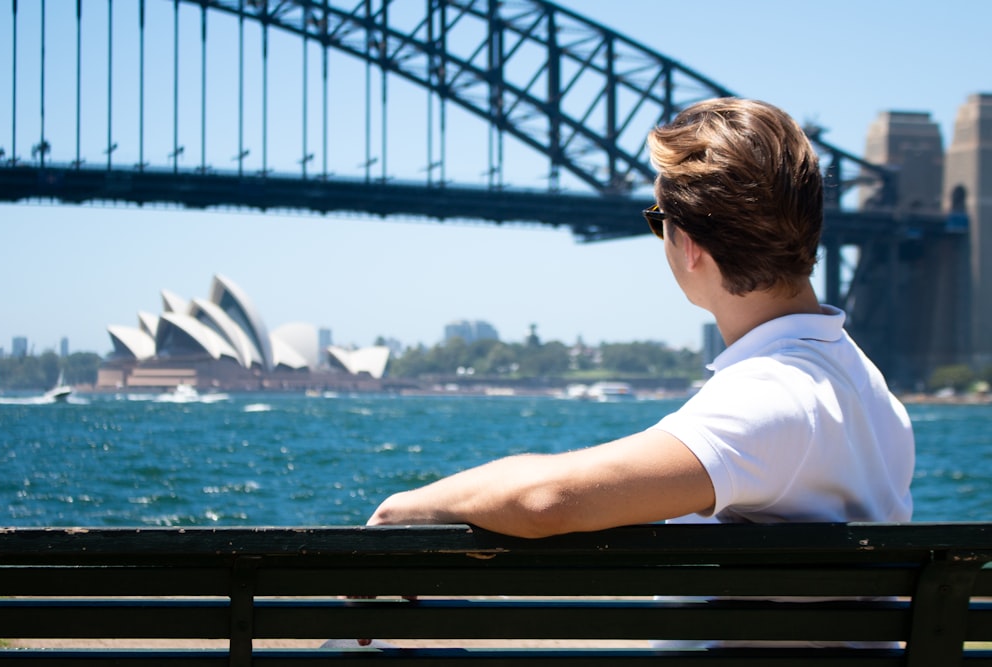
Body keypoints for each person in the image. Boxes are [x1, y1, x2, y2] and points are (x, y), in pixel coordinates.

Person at [367, 97, 914, 538]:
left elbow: (544, 501)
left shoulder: (773, 397)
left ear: (691, 244)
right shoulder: (867, 387)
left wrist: (400, 508)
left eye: (659, 220)